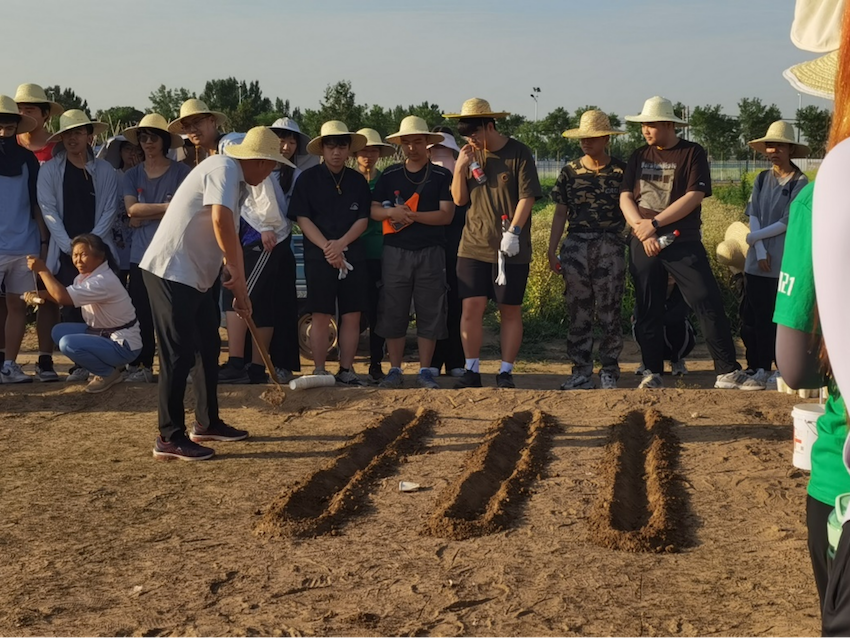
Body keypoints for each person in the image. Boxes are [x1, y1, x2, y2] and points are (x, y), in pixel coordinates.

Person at [140, 126, 284, 461]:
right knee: (177, 355)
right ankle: (169, 436)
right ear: (260, 162)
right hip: (169, 271)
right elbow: (220, 220)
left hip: (196, 277)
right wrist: (235, 272)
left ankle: (206, 422)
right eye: (272, 165)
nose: (272, 172)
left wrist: (241, 288)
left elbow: (229, 237)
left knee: (207, 347)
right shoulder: (224, 168)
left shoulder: (239, 185)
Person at [621, 96, 748, 390]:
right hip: (644, 239)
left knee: (706, 299)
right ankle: (651, 371)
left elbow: (694, 196)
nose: (645, 130)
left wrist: (654, 224)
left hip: (680, 239)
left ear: (668, 124)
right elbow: (626, 195)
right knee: (647, 306)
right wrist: (641, 229)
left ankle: (727, 371)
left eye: (651, 125)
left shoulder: (692, 153)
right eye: (643, 125)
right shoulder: (638, 156)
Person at [443, 98, 542, 389]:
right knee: (471, 307)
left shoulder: (518, 152)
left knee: (509, 308)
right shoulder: (471, 155)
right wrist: (460, 166)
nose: (471, 140)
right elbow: (459, 199)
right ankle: (471, 369)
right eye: (466, 136)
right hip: (473, 244)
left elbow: (528, 197)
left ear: (490, 126)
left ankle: (506, 370)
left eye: (475, 134)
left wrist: (514, 231)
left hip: (510, 247)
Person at [371, 116, 454, 389]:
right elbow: (372, 210)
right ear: (400, 145)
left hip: (431, 251)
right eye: (406, 143)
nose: (412, 148)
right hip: (395, 252)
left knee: (430, 310)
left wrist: (413, 216)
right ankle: (394, 369)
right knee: (393, 309)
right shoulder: (390, 175)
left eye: (417, 142)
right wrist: (390, 213)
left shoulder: (442, 176)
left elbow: (446, 215)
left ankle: (425, 370)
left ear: (428, 144)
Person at [547, 109, 627, 390]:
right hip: (576, 245)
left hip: (609, 244)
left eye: (592, 138)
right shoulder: (570, 171)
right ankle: (581, 370)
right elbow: (560, 213)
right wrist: (551, 250)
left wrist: (625, 239)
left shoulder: (621, 171)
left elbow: (631, 210)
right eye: (583, 138)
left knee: (609, 311)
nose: (586, 142)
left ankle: (609, 370)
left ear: (606, 138)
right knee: (578, 310)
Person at [37, 110, 118, 383]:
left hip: (100, 250)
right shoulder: (49, 170)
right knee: (71, 307)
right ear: (61, 138)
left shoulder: (105, 170)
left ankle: (106, 360)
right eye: (68, 134)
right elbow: (49, 212)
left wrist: (91, 246)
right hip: (64, 250)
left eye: (79, 132)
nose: (73, 138)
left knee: (102, 309)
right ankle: (79, 363)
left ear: (89, 136)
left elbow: (110, 207)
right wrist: (72, 249)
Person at [289, 121, 371, 385]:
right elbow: (302, 218)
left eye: (342, 146)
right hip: (319, 254)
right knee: (321, 312)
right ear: (322, 149)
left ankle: (346, 369)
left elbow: (363, 219)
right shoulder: (308, 179)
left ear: (348, 150)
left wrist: (341, 244)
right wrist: (328, 247)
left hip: (352, 254)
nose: (336, 152)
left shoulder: (358, 180)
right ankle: (320, 369)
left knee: (352, 314)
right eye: (331, 145)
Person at [217, 127, 297, 385]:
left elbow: (267, 201)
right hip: (251, 240)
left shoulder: (260, 171)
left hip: (262, 241)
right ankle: (251, 367)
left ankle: (240, 363)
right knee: (257, 303)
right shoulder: (241, 173)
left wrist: (266, 227)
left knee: (243, 296)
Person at [121, 114, 191, 383]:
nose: (147, 142)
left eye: (153, 137)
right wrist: (166, 207)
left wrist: (144, 214)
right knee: (141, 312)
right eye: (143, 137)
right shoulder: (131, 175)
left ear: (164, 141)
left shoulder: (181, 173)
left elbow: (184, 211)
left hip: (172, 254)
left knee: (172, 315)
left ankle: (175, 367)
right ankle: (143, 365)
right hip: (140, 256)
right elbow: (131, 210)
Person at [26, 234, 141, 394]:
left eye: (83, 254)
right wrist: (44, 295)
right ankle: (113, 365)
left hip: (122, 345)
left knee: (68, 343)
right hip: (104, 335)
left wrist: (43, 270)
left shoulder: (102, 281)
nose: (78, 260)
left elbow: (62, 297)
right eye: (75, 255)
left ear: (100, 257)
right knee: (59, 331)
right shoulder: (84, 278)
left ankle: (107, 374)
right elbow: (65, 298)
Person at [740, 121, 808, 388]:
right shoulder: (760, 179)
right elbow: (754, 214)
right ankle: (758, 366)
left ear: (790, 148)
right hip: (757, 261)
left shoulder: (800, 183)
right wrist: (758, 249)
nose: (773, 150)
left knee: (780, 318)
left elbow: (788, 221)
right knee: (755, 317)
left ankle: (781, 369)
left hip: (783, 262)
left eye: (779, 145)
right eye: (770, 146)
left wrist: (755, 238)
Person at [14, 83, 65, 382]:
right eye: (20, 110)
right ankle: (8, 358)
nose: (23, 114)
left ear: (45, 115)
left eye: (30, 109)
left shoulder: (57, 148)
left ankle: (45, 359)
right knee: (10, 297)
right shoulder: (8, 144)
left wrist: (48, 238)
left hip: (50, 230)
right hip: (13, 229)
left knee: (48, 294)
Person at [0, 96, 45, 383]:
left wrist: (41, 242)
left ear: (17, 127)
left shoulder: (29, 160)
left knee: (18, 306)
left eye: (9, 125)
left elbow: (37, 204)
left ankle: (9, 365)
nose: (4, 130)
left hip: (24, 245)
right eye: (0, 125)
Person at [354, 128, 395, 383]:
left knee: (382, 309)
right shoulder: (348, 182)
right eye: (363, 151)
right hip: (356, 253)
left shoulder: (387, 182)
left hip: (384, 253)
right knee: (359, 310)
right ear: (355, 154)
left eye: (372, 151)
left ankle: (376, 363)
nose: (368, 156)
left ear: (379, 154)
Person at [428, 127, 466, 378]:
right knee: (433, 306)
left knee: (456, 306)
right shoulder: (425, 177)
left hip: (459, 249)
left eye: (445, 151)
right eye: (435, 151)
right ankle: (434, 360)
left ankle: (455, 360)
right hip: (430, 249)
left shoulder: (464, 178)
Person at [97, 135, 142, 286]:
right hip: (117, 237)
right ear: (120, 153)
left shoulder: (145, 175)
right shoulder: (113, 176)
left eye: (136, 150)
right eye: (128, 149)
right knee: (118, 281)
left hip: (138, 239)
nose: (132, 154)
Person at [167, 99, 228, 166]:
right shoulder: (208, 154)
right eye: (187, 126)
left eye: (197, 122)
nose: (192, 129)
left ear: (212, 121)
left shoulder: (229, 146)